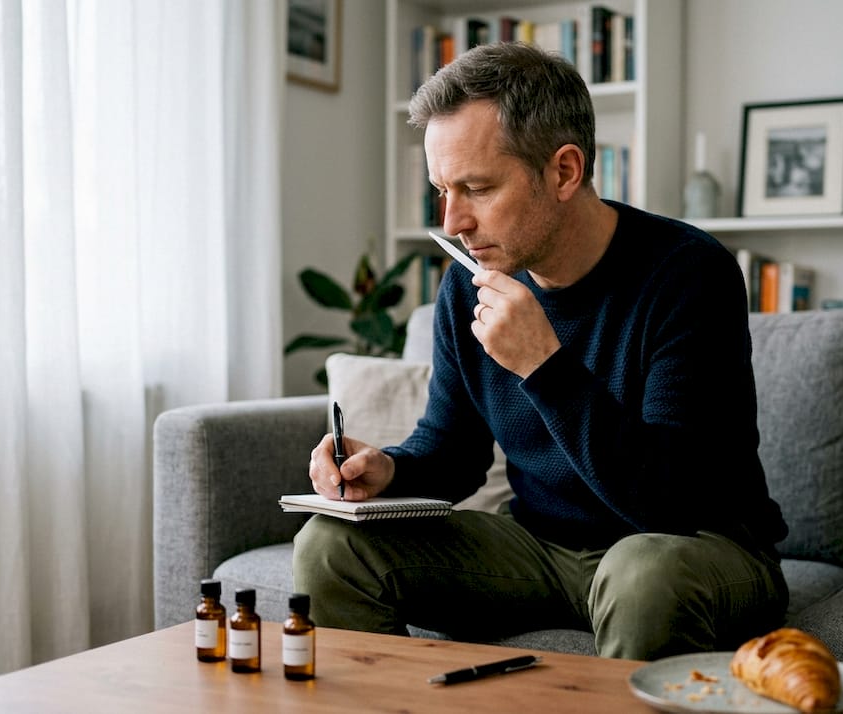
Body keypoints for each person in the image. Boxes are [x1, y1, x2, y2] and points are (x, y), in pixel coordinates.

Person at [293, 42, 788, 660]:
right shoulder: (466, 282)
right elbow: (453, 451)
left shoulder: (690, 275)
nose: (452, 223)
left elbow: (670, 501)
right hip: (539, 550)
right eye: (442, 190)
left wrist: (544, 365)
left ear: (563, 171)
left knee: (641, 575)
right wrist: (390, 470)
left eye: (476, 188)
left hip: (692, 546)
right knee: (329, 546)